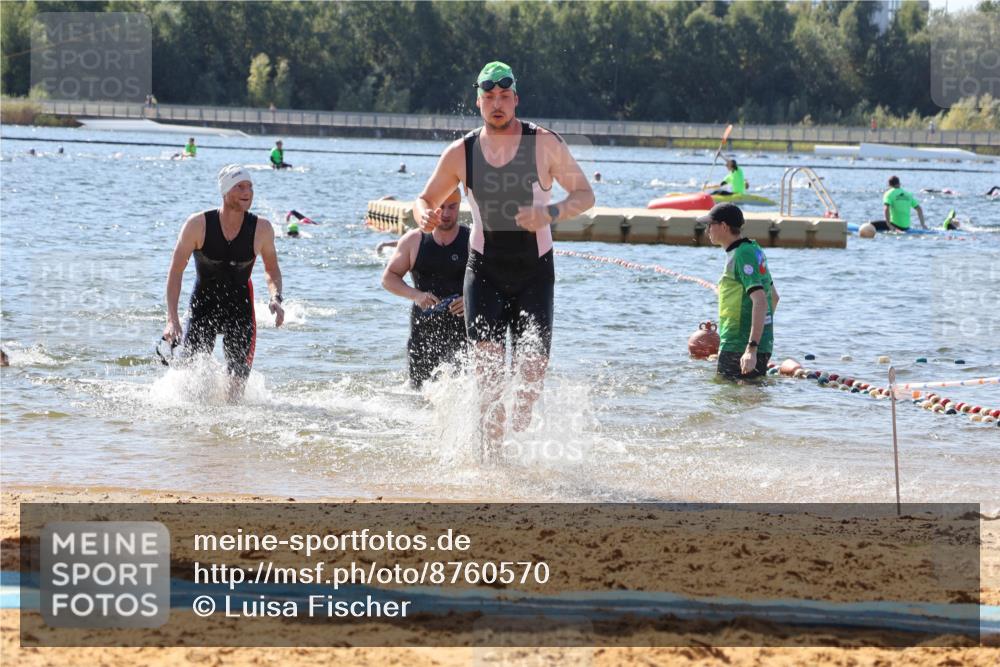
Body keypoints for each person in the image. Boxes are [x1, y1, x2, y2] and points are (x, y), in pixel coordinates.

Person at [414, 60, 595, 456]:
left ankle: (521, 451)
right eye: (489, 97)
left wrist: (548, 213)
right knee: (490, 375)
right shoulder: (460, 152)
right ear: (478, 102)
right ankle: (491, 465)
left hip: (535, 273)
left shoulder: (543, 143)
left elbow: (585, 196)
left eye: (504, 97)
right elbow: (425, 199)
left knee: (529, 382)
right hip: (484, 272)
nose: (497, 104)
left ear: (516, 100)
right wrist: (422, 214)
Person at [163, 165, 285, 402]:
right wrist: (172, 320)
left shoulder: (261, 229)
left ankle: (230, 435)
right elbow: (176, 271)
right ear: (225, 191)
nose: (247, 191)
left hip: (240, 308)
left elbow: (271, 270)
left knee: (236, 388)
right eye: (240, 186)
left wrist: (276, 298)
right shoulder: (198, 224)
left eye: (250, 186)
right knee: (191, 381)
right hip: (203, 306)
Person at [382, 188, 470, 389]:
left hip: (462, 331)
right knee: (419, 392)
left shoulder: (471, 240)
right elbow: (388, 278)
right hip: (423, 331)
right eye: (440, 207)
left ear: (459, 207)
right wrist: (416, 295)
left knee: (462, 389)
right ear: (429, 208)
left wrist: (469, 299)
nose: (446, 213)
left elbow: (491, 280)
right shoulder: (414, 240)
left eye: (452, 207)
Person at [699, 203, 779, 381]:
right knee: (748, 402)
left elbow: (760, 300)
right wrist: (761, 336)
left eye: (710, 225)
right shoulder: (754, 249)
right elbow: (773, 297)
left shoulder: (742, 254)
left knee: (726, 402)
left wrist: (751, 348)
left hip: (738, 345)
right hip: (759, 344)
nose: (707, 230)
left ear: (724, 226)